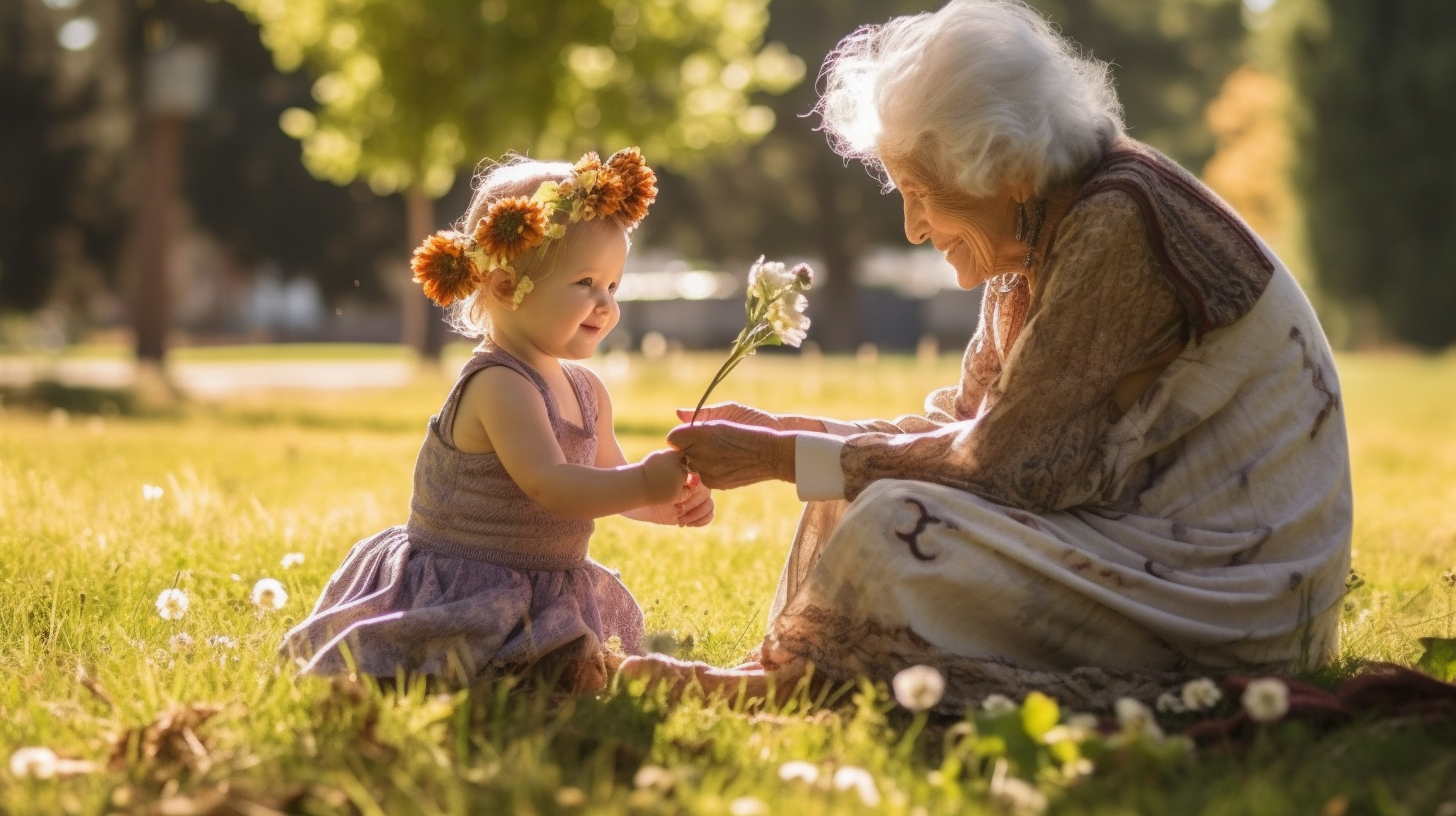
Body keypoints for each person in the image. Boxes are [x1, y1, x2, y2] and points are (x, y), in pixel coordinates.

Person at [623, 0, 1352, 710]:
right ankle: (790, 672)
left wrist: (783, 456)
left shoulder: (1119, 222)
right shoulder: (1033, 235)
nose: (912, 227)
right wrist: (786, 435)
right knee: (857, 492)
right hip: (1150, 549)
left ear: (1000, 166)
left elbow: (1006, 464)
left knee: (890, 513)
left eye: (919, 193)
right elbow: (964, 427)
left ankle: (797, 685)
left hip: (1237, 603)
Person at [282, 148, 714, 692]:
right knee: (475, 671)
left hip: (543, 581)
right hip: (466, 583)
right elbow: (551, 485)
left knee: (566, 665)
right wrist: (644, 480)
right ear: (508, 288)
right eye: (585, 283)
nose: (605, 304)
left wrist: (666, 501)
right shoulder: (500, 385)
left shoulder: (587, 391)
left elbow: (611, 480)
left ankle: (559, 665)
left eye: (613, 286)